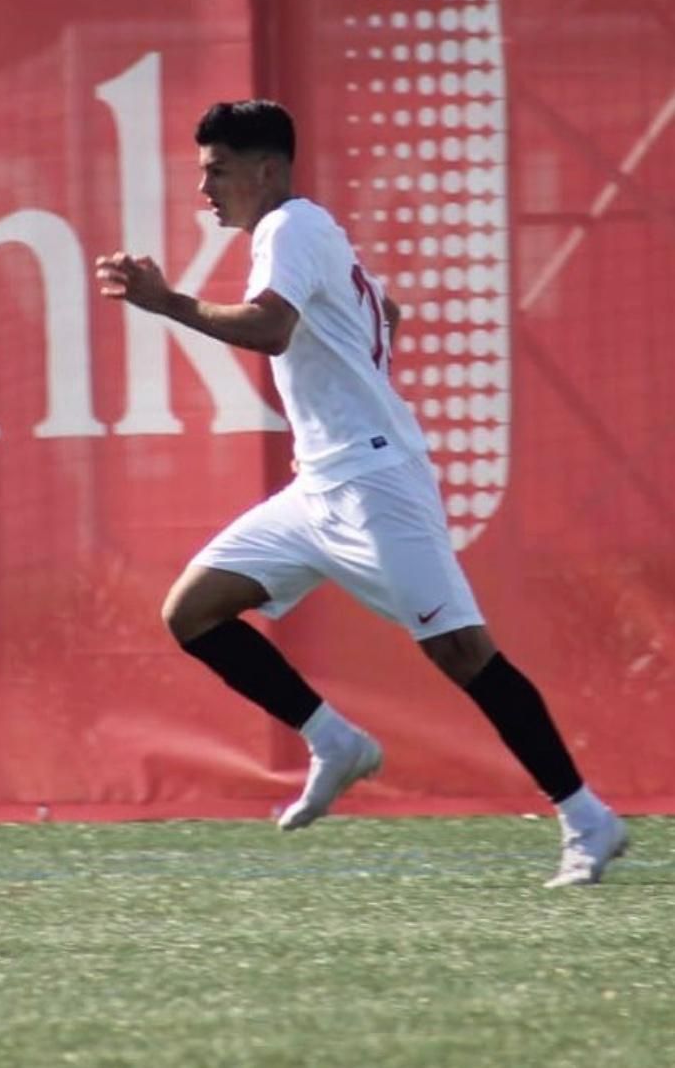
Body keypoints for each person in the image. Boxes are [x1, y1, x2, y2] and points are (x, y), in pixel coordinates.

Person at [95, 98, 627, 888]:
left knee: (461, 651)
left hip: (376, 481)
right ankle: (334, 740)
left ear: (267, 169)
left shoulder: (289, 227)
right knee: (192, 611)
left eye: (218, 171)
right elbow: (389, 311)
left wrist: (168, 301)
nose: (205, 190)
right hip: (321, 485)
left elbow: (272, 329)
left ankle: (588, 816)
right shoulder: (314, 232)